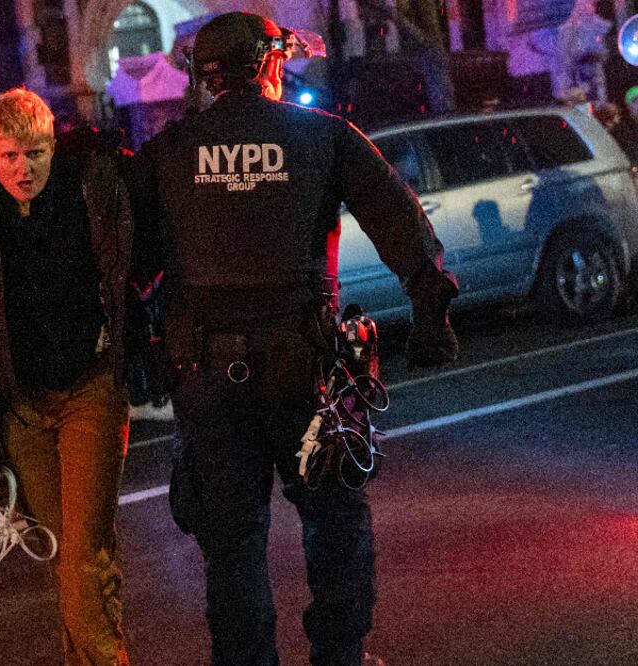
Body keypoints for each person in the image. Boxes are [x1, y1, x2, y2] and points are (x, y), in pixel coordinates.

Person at [130, 12, 459, 666]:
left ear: (205, 75)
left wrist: (138, 347)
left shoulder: (167, 153)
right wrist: (431, 311)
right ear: (268, 64)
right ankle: (339, 655)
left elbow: (130, 265)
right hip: (305, 372)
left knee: (232, 547)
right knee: (334, 527)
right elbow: (398, 219)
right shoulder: (323, 136)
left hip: (205, 379)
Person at [0, 88, 134, 666]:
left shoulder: (85, 189)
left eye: (35, 154)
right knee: (66, 552)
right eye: (9, 156)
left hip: (90, 387)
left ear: (53, 148)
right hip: (21, 401)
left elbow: (130, 258)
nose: (23, 169)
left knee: (82, 550)